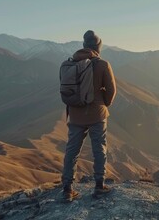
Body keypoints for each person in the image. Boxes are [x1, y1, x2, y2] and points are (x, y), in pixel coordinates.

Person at [61, 30, 116, 202]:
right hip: (97, 115)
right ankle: (99, 186)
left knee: (72, 151)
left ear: (84, 46)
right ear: (98, 47)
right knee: (99, 148)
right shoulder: (102, 64)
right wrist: (102, 104)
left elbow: (66, 91)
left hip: (76, 115)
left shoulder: (67, 64)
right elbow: (111, 91)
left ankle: (67, 189)